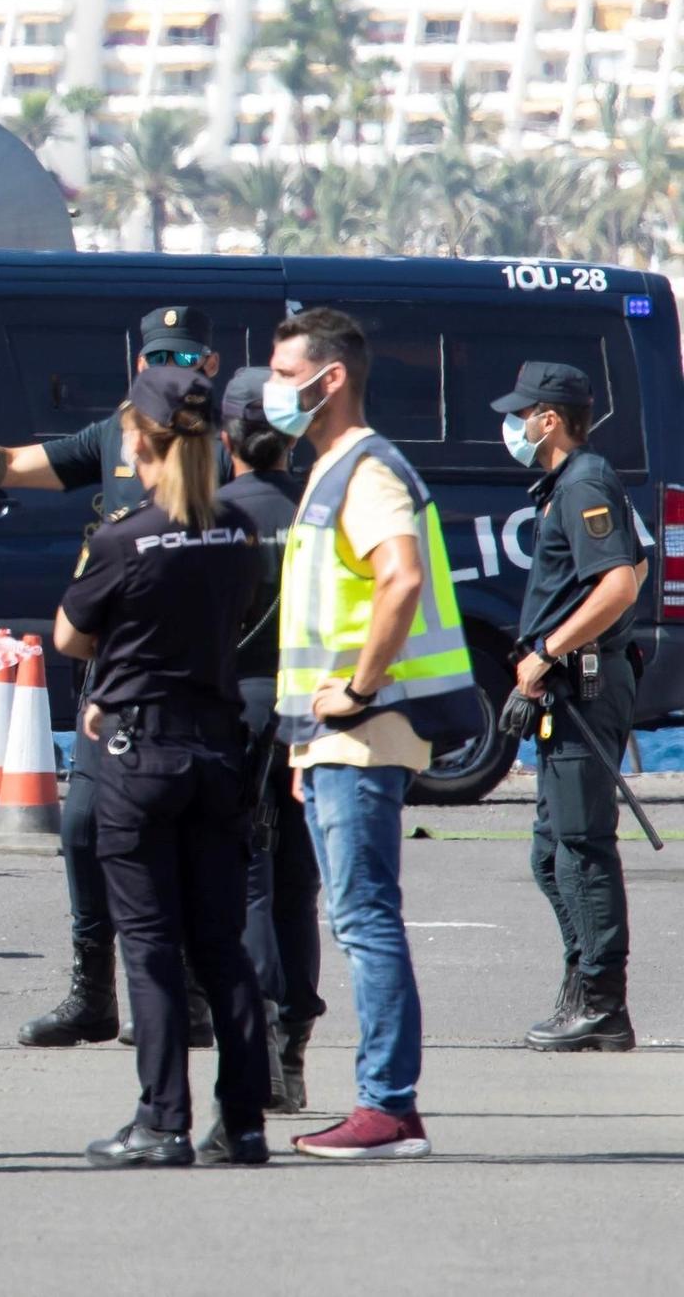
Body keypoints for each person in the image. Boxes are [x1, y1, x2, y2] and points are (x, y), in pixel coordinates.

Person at [0, 305, 224, 1050]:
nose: (169, 374)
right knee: (82, 829)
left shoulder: (233, 445)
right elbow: (10, 464)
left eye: (183, 362)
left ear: (209, 367)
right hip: (111, 679)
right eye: (157, 361)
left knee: (189, 841)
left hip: (196, 677)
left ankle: (193, 995)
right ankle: (93, 992)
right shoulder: (115, 436)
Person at [269, 307, 477, 1160]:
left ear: (331, 378)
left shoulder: (367, 470)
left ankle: (387, 1108)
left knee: (364, 919)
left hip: (365, 735)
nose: (272, 390)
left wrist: (355, 692)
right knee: (359, 916)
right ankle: (385, 1105)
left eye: (285, 375)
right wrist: (300, 742)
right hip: (330, 744)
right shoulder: (328, 468)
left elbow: (401, 580)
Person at [53, 365, 270, 1169]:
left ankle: (162, 1120)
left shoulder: (121, 538)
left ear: (138, 441)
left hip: (139, 750)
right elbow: (241, 611)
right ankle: (243, 1123)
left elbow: (69, 638)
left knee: (148, 945)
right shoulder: (237, 530)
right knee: (221, 945)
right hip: (216, 745)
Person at [491, 361, 647, 1052]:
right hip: (567, 684)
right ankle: (582, 981)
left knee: (580, 850)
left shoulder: (584, 481)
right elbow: (638, 562)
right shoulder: (573, 484)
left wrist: (550, 649)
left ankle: (603, 1003)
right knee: (551, 852)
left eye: (522, 414)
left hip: (581, 685)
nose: (515, 426)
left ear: (548, 419)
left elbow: (619, 584)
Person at [216, 369, 324, 1112]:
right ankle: (292, 1047)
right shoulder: (326, 509)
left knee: (246, 880)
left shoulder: (216, 513)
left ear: (225, 439)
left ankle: (260, 1049)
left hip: (238, 711)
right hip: (315, 712)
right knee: (298, 886)